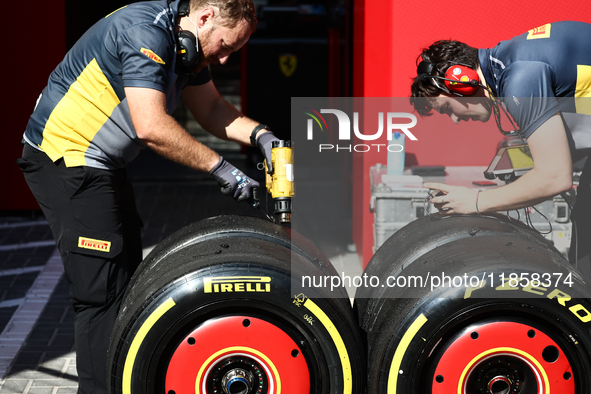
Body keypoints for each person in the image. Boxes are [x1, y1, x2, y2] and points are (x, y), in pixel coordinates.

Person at [16, 0, 279, 392]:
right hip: (66, 160)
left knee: (126, 280)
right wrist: (222, 169)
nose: (224, 60)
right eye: (225, 46)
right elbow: (151, 126)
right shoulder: (146, 34)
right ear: (205, 17)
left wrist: (263, 137)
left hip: (101, 164)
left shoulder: (187, 45)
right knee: (100, 294)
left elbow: (210, 108)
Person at [410, 21, 591, 277]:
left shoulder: (520, 78)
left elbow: (554, 177)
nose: (455, 120)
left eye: (448, 108)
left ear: (461, 82)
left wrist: (475, 201)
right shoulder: (510, 61)